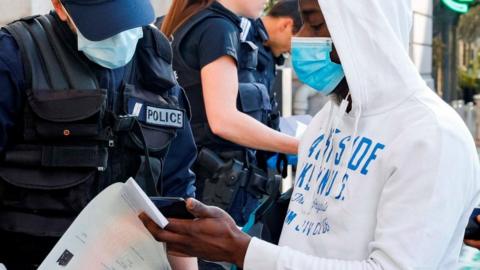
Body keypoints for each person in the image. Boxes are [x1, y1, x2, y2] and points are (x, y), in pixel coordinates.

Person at [140, 0, 480, 269]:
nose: (300, 36)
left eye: (314, 23)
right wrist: (235, 240)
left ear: (363, 27)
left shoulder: (431, 136)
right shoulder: (327, 119)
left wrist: (242, 250)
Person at [0, 0, 197, 269]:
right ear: (60, 6)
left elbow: (178, 191)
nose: (120, 34)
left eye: (128, 18)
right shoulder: (15, 55)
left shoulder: (155, 61)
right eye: (104, 23)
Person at [161, 0, 299, 228]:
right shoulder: (218, 28)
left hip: (190, 178)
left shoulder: (195, 20)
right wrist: (301, 146)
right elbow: (223, 121)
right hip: (212, 187)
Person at [242, 0, 302, 173]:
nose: (293, 51)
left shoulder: (267, 51)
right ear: (286, 25)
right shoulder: (243, 38)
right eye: (297, 40)